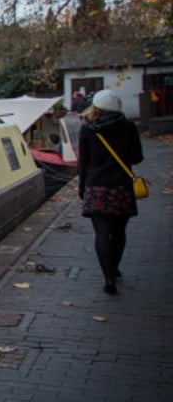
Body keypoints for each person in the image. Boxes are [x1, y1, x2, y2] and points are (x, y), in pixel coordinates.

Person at [77, 89, 143, 294]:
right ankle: (114, 269)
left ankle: (108, 279)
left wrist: (82, 188)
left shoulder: (88, 129)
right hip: (121, 186)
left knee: (102, 233)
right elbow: (137, 157)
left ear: (95, 107)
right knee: (119, 232)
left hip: (96, 186)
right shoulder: (129, 127)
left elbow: (83, 163)